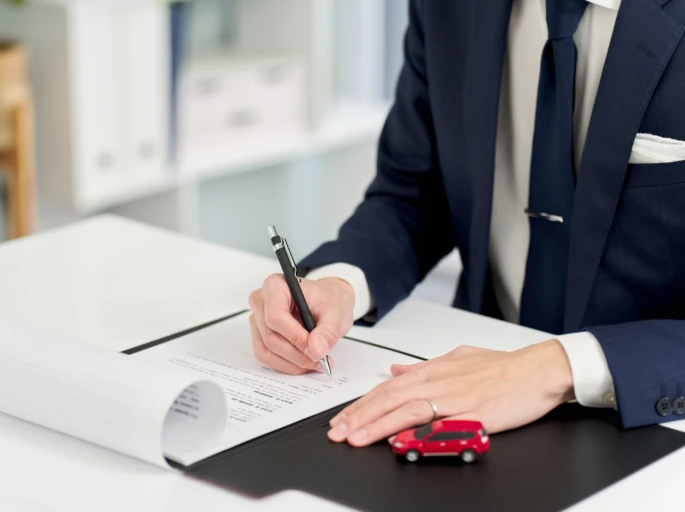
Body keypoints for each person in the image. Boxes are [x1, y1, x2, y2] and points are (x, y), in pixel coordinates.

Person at [248, 0, 685, 448]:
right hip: (469, 388)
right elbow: (415, 189)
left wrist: (558, 367)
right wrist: (341, 284)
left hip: (645, 420)